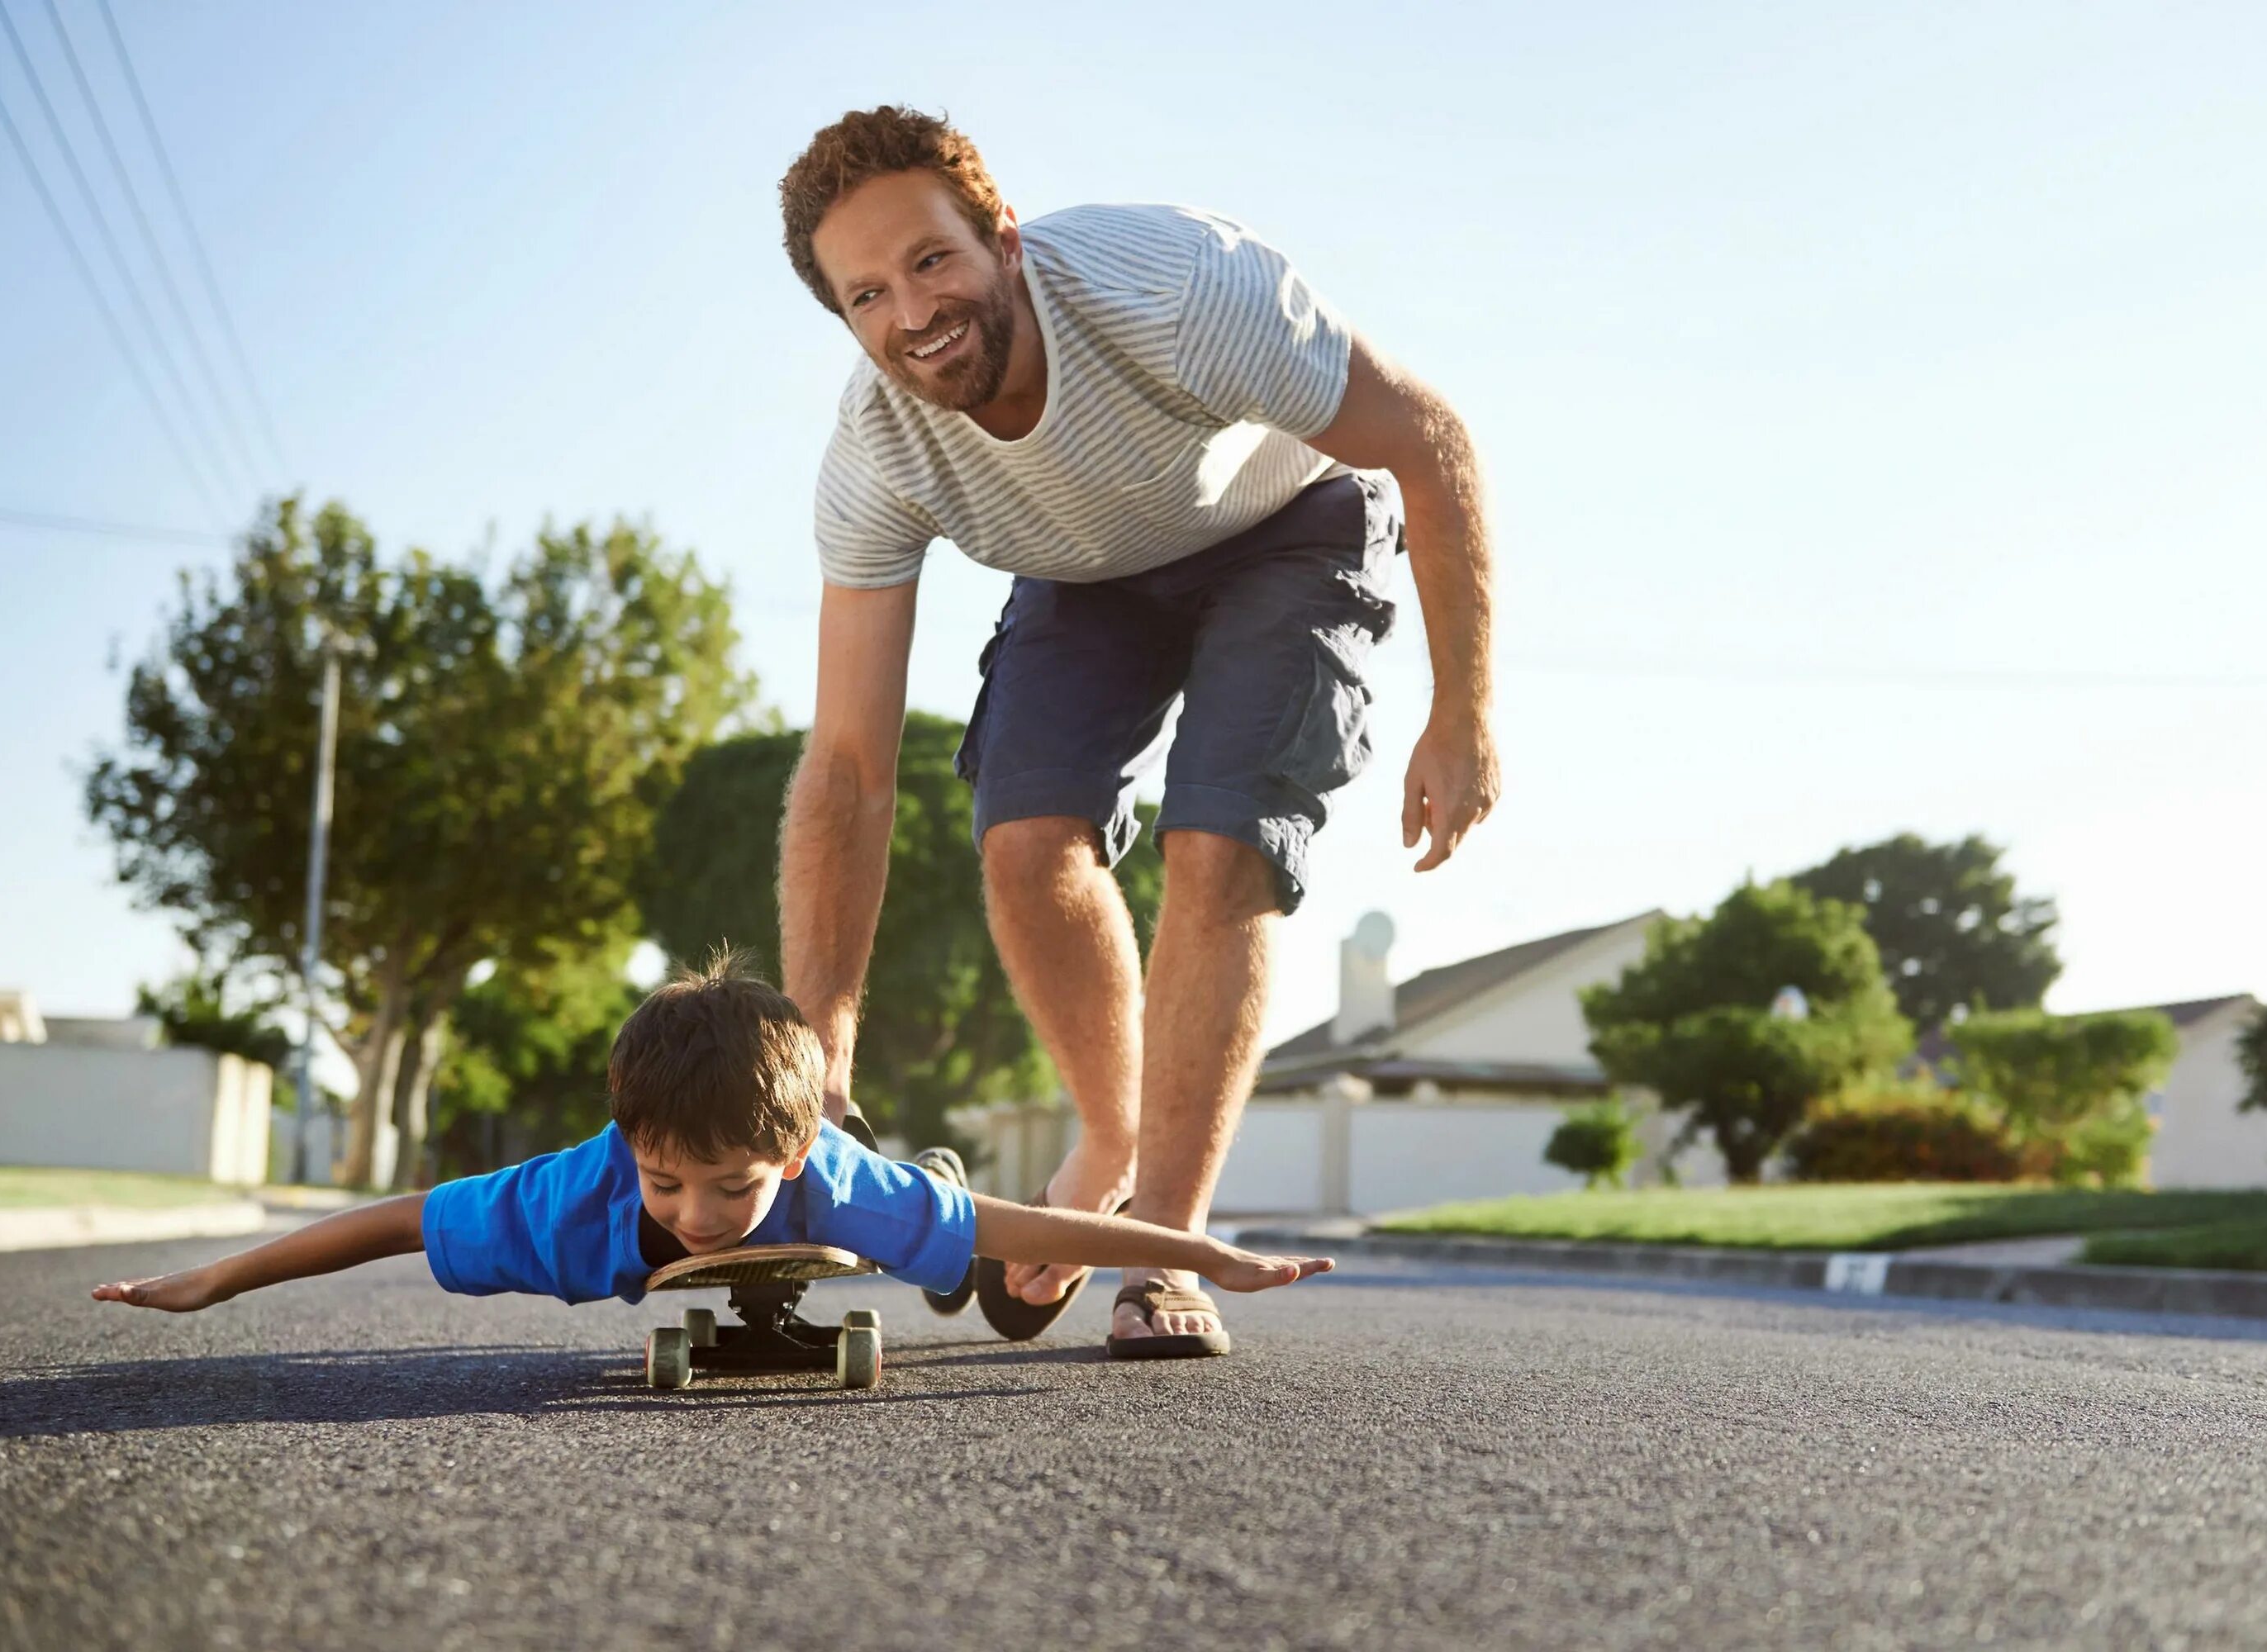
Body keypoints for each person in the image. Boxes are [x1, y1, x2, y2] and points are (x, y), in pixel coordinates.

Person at [774, 108, 1497, 1359]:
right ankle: (1108, 1145)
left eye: (932, 261)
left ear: (1003, 238)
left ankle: (1166, 1243)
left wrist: (1464, 709)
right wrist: (816, 1062)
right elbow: (848, 771)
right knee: (1022, 835)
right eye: (868, 295)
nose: (912, 314)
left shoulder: (1180, 291)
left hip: (1285, 521)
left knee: (1216, 841)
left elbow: (1427, 442)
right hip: (1084, 570)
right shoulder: (878, 452)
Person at [90, 956, 1330, 1316]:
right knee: (956, 1255)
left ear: (789, 1159)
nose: (693, 1213)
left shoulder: (830, 1185)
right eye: (668, 1182)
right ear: (627, 1141)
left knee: (1005, 1283)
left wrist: (1195, 1255)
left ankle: (927, 1183)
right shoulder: (578, 1199)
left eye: (729, 1187)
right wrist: (220, 1279)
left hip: (873, 1198)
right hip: (761, 1177)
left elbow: (1024, 1221)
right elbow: (405, 1221)